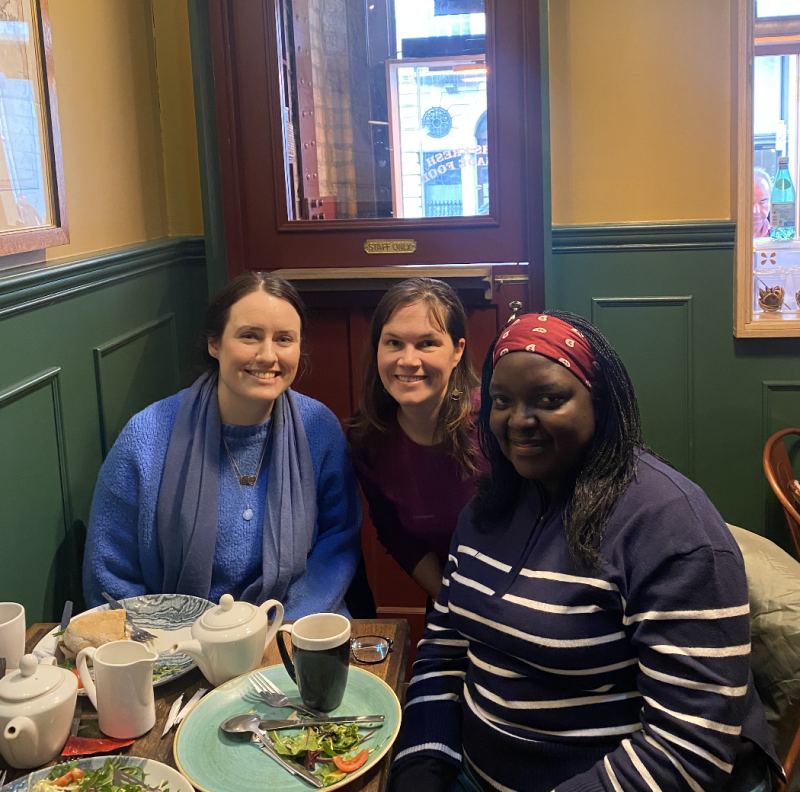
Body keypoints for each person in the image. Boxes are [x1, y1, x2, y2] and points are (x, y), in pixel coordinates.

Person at [391, 311, 781, 792]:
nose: (519, 420)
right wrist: (420, 766)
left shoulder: (668, 524)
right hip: (471, 772)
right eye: (501, 400)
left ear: (600, 401)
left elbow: (689, 748)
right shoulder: (487, 509)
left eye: (549, 399)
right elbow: (444, 655)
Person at [83, 273, 362, 617]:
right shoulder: (146, 436)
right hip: (176, 642)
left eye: (285, 339)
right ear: (214, 344)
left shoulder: (319, 427)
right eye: (249, 336)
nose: (268, 355)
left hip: (296, 628)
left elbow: (338, 543)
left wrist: (283, 628)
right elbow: (109, 571)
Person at [348, 278, 484, 602]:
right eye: (394, 343)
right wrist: (449, 601)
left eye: (427, 343)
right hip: (452, 600)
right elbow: (394, 533)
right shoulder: (368, 440)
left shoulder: (495, 422)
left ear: (457, 351)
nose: (408, 360)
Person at [754, 166, 772, 238]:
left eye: (762, 202)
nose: (756, 211)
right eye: (749, 204)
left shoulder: (779, 233)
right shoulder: (732, 235)